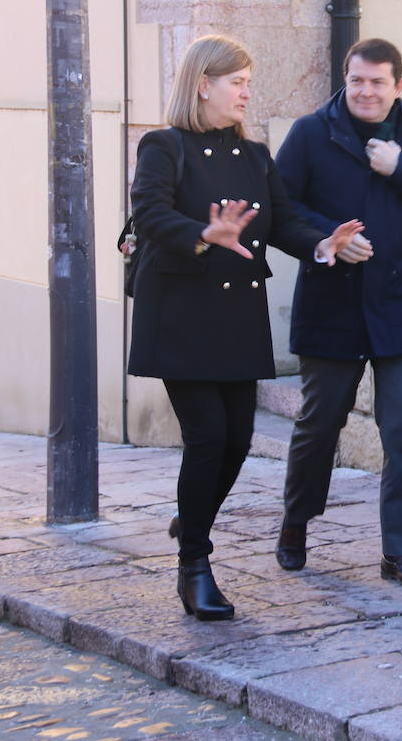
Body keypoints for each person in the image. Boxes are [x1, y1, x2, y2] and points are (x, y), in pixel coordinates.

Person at [127, 35, 361, 621]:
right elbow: (150, 211)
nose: (246, 92)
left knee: (235, 440)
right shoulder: (164, 145)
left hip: (235, 317)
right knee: (208, 436)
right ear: (203, 83)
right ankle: (195, 566)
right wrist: (204, 235)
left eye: (248, 81)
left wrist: (322, 244)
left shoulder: (255, 156)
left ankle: (192, 515)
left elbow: (281, 221)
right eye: (238, 81)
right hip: (181, 316)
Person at [274, 37, 402, 586]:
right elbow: (279, 211)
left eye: (378, 82)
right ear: (345, 78)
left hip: (401, 307)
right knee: (319, 424)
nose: (366, 91)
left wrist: (401, 168)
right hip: (331, 306)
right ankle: (295, 522)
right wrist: (325, 242)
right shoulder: (311, 133)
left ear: (398, 86)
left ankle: (398, 551)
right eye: (357, 80)